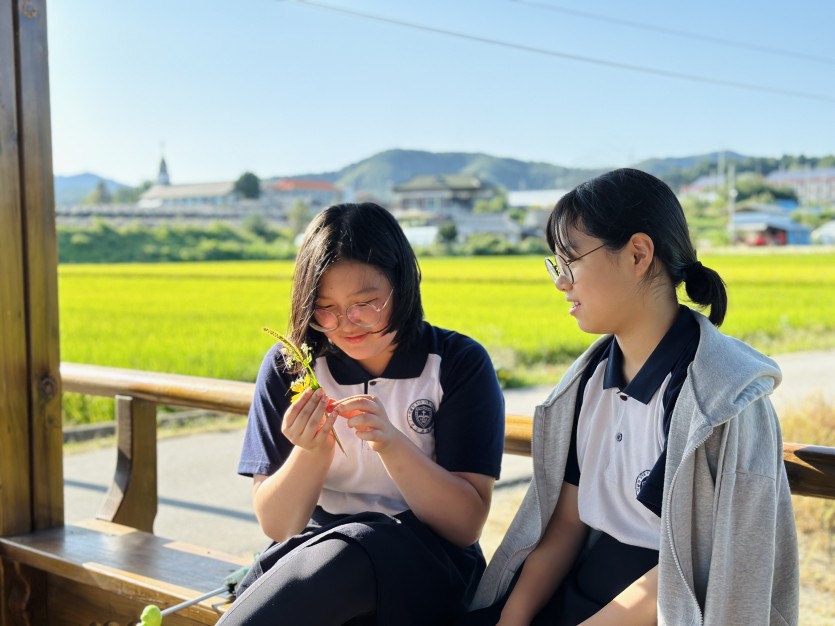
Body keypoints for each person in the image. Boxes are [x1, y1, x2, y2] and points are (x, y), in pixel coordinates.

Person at [461, 168, 798, 625]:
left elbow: (696, 568)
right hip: (586, 590)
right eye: (555, 266)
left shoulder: (716, 398)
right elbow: (566, 524)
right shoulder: (588, 381)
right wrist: (511, 619)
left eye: (570, 261)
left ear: (638, 253)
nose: (561, 282)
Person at [217, 202, 505, 626]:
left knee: (356, 545)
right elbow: (279, 525)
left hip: (428, 564)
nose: (345, 324)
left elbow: (464, 527)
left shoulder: (456, 363)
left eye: (365, 303)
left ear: (402, 285)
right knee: (334, 553)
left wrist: (392, 443)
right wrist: (312, 453)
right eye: (324, 307)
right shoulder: (293, 365)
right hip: (314, 561)